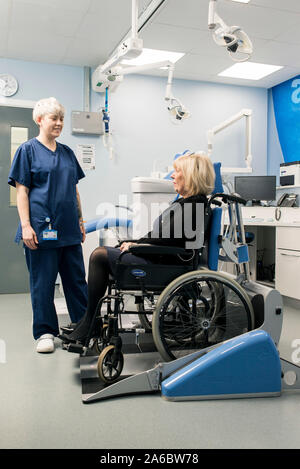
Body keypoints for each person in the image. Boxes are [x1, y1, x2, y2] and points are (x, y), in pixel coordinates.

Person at [62, 152, 215, 343]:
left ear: (192, 176)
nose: (173, 176)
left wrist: (137, 246)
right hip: (160, 260)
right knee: (103, 254)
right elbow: (162, 236)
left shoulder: (195, 205)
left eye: (177, 171)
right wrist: (136, 243)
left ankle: (90, 322)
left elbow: (170, 242)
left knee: (100, 255)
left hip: (166, 265)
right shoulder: (187, 203)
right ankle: (89, 320)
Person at [8, 97, 88, 353]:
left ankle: (82, 326)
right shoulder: (27, 150)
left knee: (76, 281)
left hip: (69, 230)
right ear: (40, 120)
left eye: (61, 119)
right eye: (54, 118)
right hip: (40, 230)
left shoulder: (67, 153)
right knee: (43, 283)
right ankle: (45, 332)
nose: (59, 123)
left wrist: (80, 219)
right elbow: (22, 192)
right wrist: (26, 225)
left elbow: (74, 191)